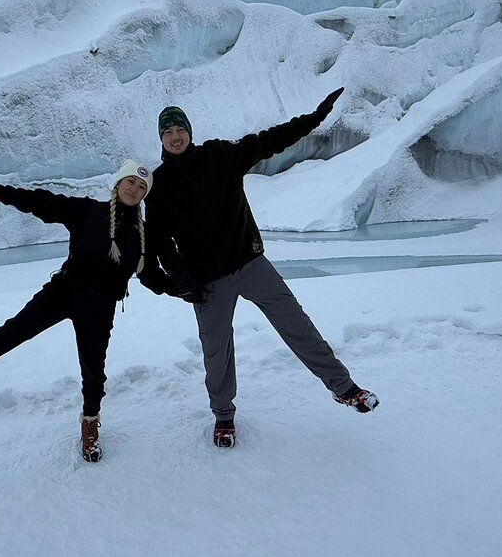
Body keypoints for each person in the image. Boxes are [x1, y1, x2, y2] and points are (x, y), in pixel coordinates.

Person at [0, 159, 195, 462]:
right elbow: (40, 202)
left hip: (100, 308)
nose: (134, 189)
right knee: (11, 332)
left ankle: (90, 424)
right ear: (119, 183)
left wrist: (184, 291)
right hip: (63, 292)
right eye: (130, 182)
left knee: (94, 371)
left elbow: (152, 277)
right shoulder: (88, 211)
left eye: (141, 187)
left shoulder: (142, 237)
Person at [146, 88, 379, 447]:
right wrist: (181, 279)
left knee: (297, 325)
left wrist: (313, 119)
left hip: (250, 263)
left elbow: (269, 140)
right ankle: (224, 415)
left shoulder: (220, 154)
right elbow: (160, 240)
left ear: (189, 131)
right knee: (216, 350)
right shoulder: (159, 184)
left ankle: (344, 387)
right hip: (208, 282)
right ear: (161, 138)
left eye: (180, 129)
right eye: (168, 132)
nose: (175, 136)